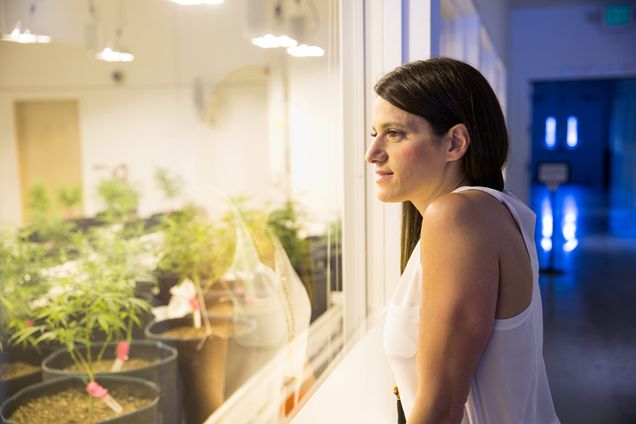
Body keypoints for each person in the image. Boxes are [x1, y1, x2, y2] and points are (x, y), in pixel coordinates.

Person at [365, 57, 560, 424]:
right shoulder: (492, 210)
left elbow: (443, 404)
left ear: (455, 142)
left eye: (395, 134)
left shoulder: (457, 216)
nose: (372, 154)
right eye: (374, 134)